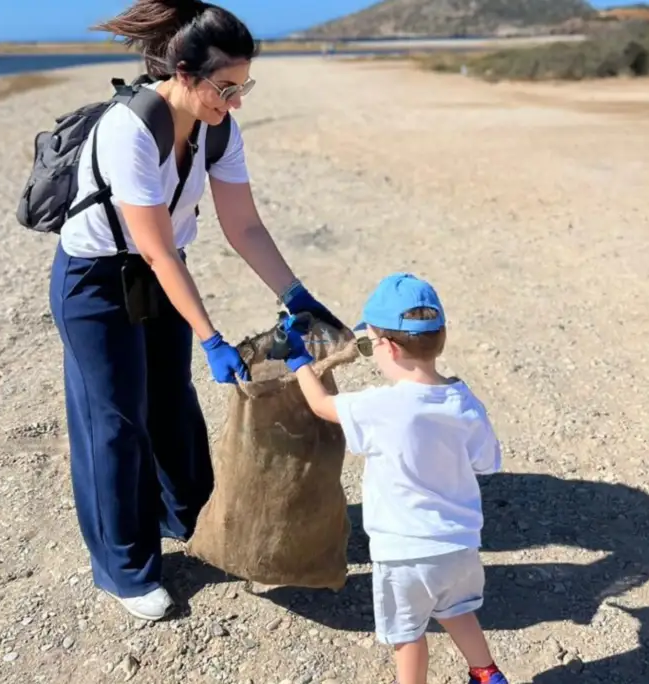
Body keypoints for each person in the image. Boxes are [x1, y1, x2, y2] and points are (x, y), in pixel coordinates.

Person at [48, 0, 343, 623]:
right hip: (95, 282)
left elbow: (244, 226)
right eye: (225, 88)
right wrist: (211, 336)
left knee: (171, 400)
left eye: (243, 88)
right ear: (183, 73)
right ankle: (125, 569)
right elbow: (154, 248)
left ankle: (189, 518)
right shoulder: (130, 129)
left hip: (162, 274)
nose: (234, 102)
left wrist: (296, 295)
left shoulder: (219, 129)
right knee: (114, 421)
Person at [279, 273, 508, 684]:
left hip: (404, 555)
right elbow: (488, 462)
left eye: (369, 345)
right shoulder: (464, 401)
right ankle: (487, 674)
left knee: (408, 635)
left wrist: (297, 360)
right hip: (460, 548)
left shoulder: (381, 406)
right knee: (458, 611)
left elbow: (322, 405)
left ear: (389, 347)